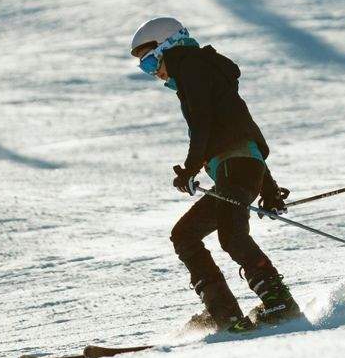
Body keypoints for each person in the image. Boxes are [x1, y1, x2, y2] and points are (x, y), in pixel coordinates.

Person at [129, 17, 301, 333]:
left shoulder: (191, 66)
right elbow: (245, 132)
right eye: (144, 67)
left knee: (227, 236)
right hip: (237, 169)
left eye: (151, 61)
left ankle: (275, 305)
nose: (153, 72)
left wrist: (191, 168)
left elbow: (203, 125)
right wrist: (269, 188)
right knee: (187, 235)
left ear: (169, 46)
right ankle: (227, 312)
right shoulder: (204, 71)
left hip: (236, 169)